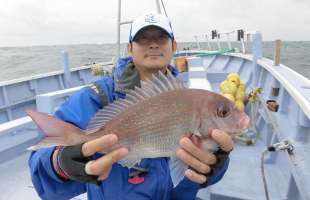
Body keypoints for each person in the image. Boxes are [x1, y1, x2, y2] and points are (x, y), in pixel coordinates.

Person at [28, 13, 233, 200]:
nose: (153, 44)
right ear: (129, 48)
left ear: (174, 46)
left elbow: (190, 176)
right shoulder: (96, 97)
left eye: (161, 38)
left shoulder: (190, 100)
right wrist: (59, 162)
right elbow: (40, 168)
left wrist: (214, 166)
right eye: (143, 38)